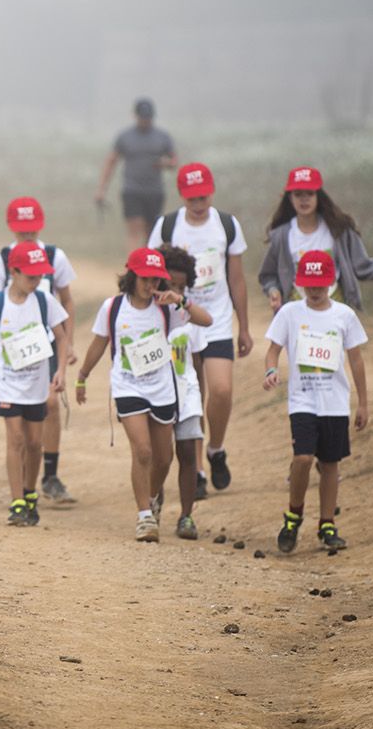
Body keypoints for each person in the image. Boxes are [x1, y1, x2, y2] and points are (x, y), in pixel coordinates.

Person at [75, 247, 210, 543]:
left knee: (164, 458)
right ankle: (144, 517)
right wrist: (83, 376)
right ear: (132, 276)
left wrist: (180, 299)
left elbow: (206, 320)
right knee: (144, 451)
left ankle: (150, 496)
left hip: (162, 389)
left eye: (156, 280)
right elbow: (99, 343)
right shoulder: (113, 308)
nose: (151, 286)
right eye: (146, 280)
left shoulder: (165, 308)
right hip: (128, 387)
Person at [150, 162, 249, 495]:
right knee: (193, 395)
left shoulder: (226, 225)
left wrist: (245, 326)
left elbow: (236, 278)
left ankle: (216, 449)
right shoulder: (166, 227)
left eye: (203, 195)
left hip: (217, 319)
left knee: (221, 391)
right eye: (192, 197)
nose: (198, 202)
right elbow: (149, 274)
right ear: (182, 195)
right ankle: (199, 472)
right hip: (181, 325)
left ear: (212, 191)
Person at [262, 250, 368, 552]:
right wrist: (271, 370)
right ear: (300, 283)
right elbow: (273, 350)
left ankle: (327, 524)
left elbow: (357, 361)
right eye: (309, 284)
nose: (315, 290)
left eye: (320, 284)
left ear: (331, 281)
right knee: (303, 458)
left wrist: (363, 403)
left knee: (330, 463)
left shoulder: (344, 315)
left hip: (334, 401)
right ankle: (293, 515)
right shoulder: (290, 313)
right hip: (302, 400)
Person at [0, 198, 78, 504]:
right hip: (12, 350)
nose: (28, 235)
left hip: (45, 343)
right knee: (19, 426)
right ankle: (22, 483)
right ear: (12, 228)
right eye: (22, 231)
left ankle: (50, 474)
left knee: (50, 404)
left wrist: (69, 342)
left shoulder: (53, 256)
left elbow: (68, 300)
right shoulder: (1, 260)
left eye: (32, 229)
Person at [258, 166, 373, 312]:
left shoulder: (339, 230)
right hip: (295, 310)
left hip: (334, 307)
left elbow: (362, 267)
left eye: (310, 193)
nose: (304, 199)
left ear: (319, 196)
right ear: (290, 198)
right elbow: (267, 275)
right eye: (298, 194)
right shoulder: (281, 235)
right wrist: (274, 291)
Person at [151, 245, 209, 540]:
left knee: (187, 451)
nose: (173, 290)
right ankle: (153, 504)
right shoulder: (144, 310)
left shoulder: (189, 312)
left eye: (180, 286)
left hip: (186, 391)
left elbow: (197, 359)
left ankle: (186, 516)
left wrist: (200, 397)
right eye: (168, 284)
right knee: (159, 456)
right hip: (152, 392)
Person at [95, 98, 176, 251]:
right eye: (142, 117)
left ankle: (147, 268)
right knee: (134, 230)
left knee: (151, 232)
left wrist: (165, 164)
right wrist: (101, 189)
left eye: (148, 117)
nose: (145, 120)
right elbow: (111, 162)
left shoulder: (163, 137)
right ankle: (134, 269)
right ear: (135, 116)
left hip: (154, 190)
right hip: (132, 189)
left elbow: (174, 161)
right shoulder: (125, 137)